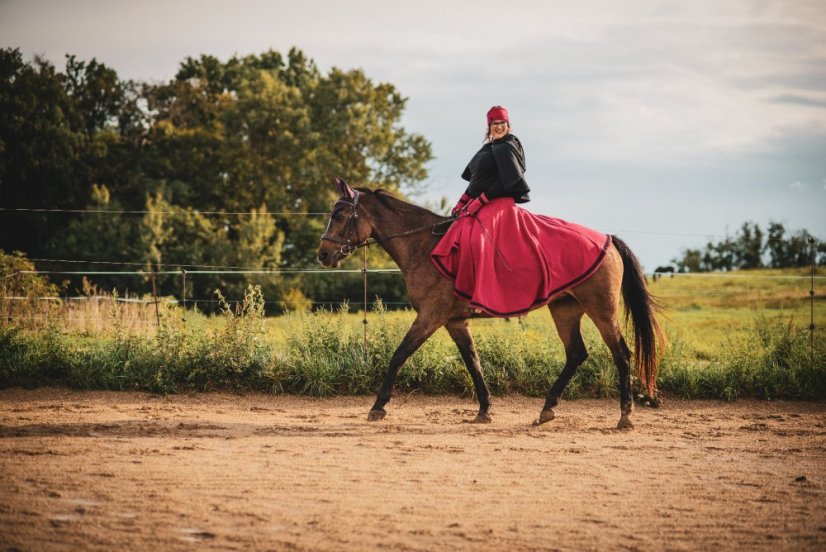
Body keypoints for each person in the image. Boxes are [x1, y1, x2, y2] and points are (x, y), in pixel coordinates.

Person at [431, 106, 611, 317]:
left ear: (508, 125)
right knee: (459, 229)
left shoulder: (507, 147)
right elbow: (476, 181)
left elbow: (509, 182)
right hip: (481, 203)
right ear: (489, 127)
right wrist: (462, 202)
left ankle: (482, 297)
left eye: (502, 124)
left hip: (499, 203)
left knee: (479, 238)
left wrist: (480, 201)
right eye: (494, 125)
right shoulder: (486, 149)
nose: (498, 128)